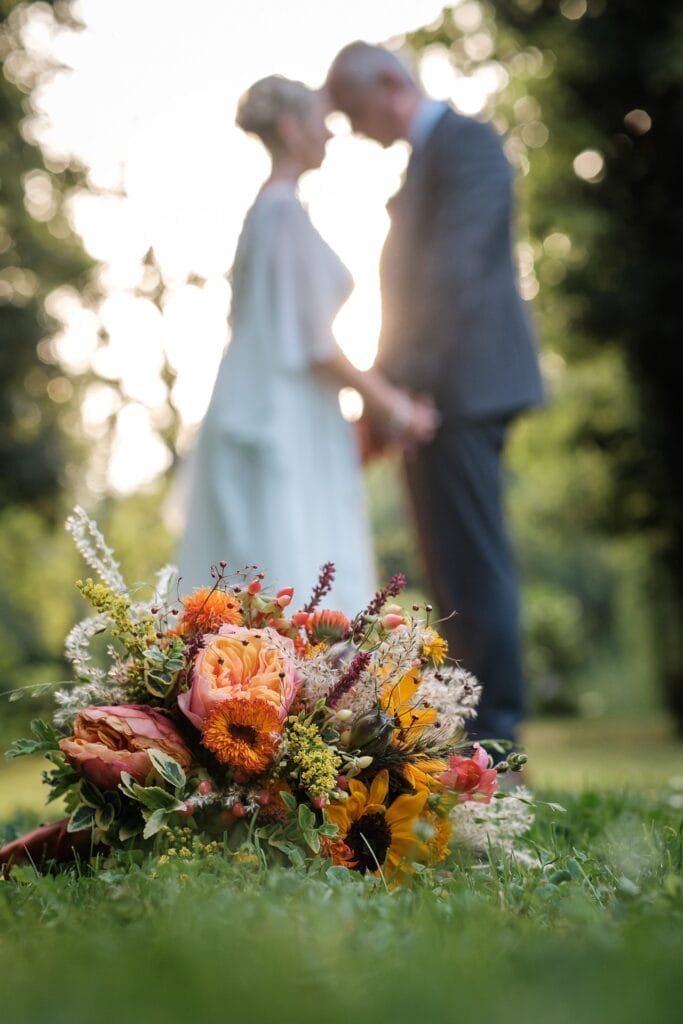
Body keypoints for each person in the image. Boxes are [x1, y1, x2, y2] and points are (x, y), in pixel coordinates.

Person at [327, 43, 544, 747]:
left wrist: (396, 392)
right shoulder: (424, 162)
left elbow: (452, 278)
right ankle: (474, 738)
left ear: (392, 84)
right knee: (448, 571)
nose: (355, 130)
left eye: (356, 112)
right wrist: (385, 403)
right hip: (426, 398)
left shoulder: (469, 145)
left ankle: (498, 740)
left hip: (460, 392)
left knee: (474, 568)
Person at [178, 75, 437, 615]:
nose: (331, 134)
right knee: (291, 573)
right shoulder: (282, 213)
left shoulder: (266, 212)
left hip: (262, 404)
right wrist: (396, 406)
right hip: (280, 416)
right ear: (293, 128)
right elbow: (317, 344)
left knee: (266, 584)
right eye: (322, 121)